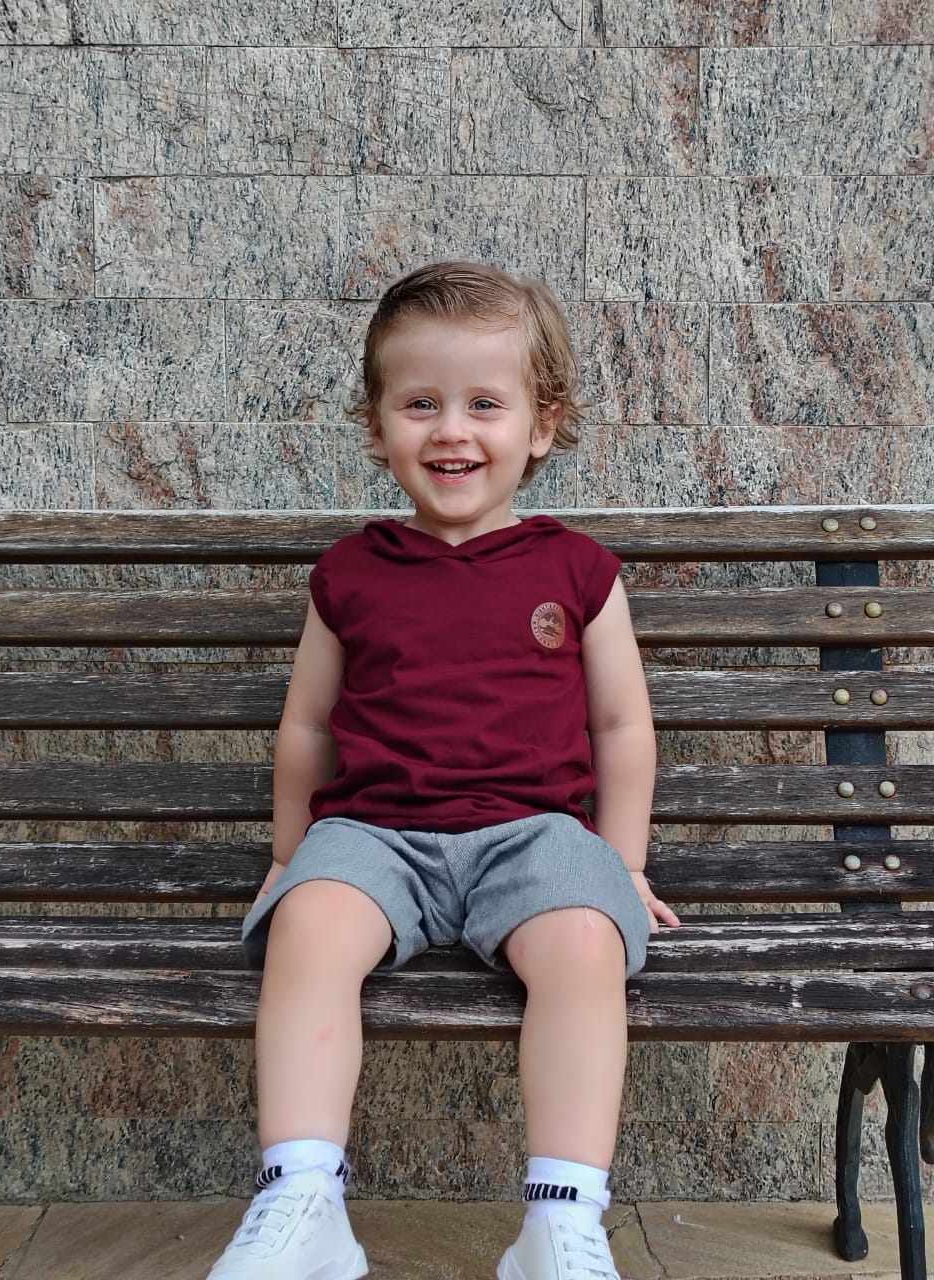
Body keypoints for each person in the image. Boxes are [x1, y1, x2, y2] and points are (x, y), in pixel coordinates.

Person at [207, 261, 680, 1280]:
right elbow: (307, 725)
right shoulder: (350, 573)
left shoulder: (578, 570)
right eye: (419, 403)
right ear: (377, 426)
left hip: (536, 834)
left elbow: (620, 724)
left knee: (585, 943)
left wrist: (623, 863)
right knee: (308, 927)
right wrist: (291, 858)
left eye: (483, 404)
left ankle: (562, 1218)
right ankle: (302, 1196)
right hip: (376, 832)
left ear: (542, 426)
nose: (450, 430)